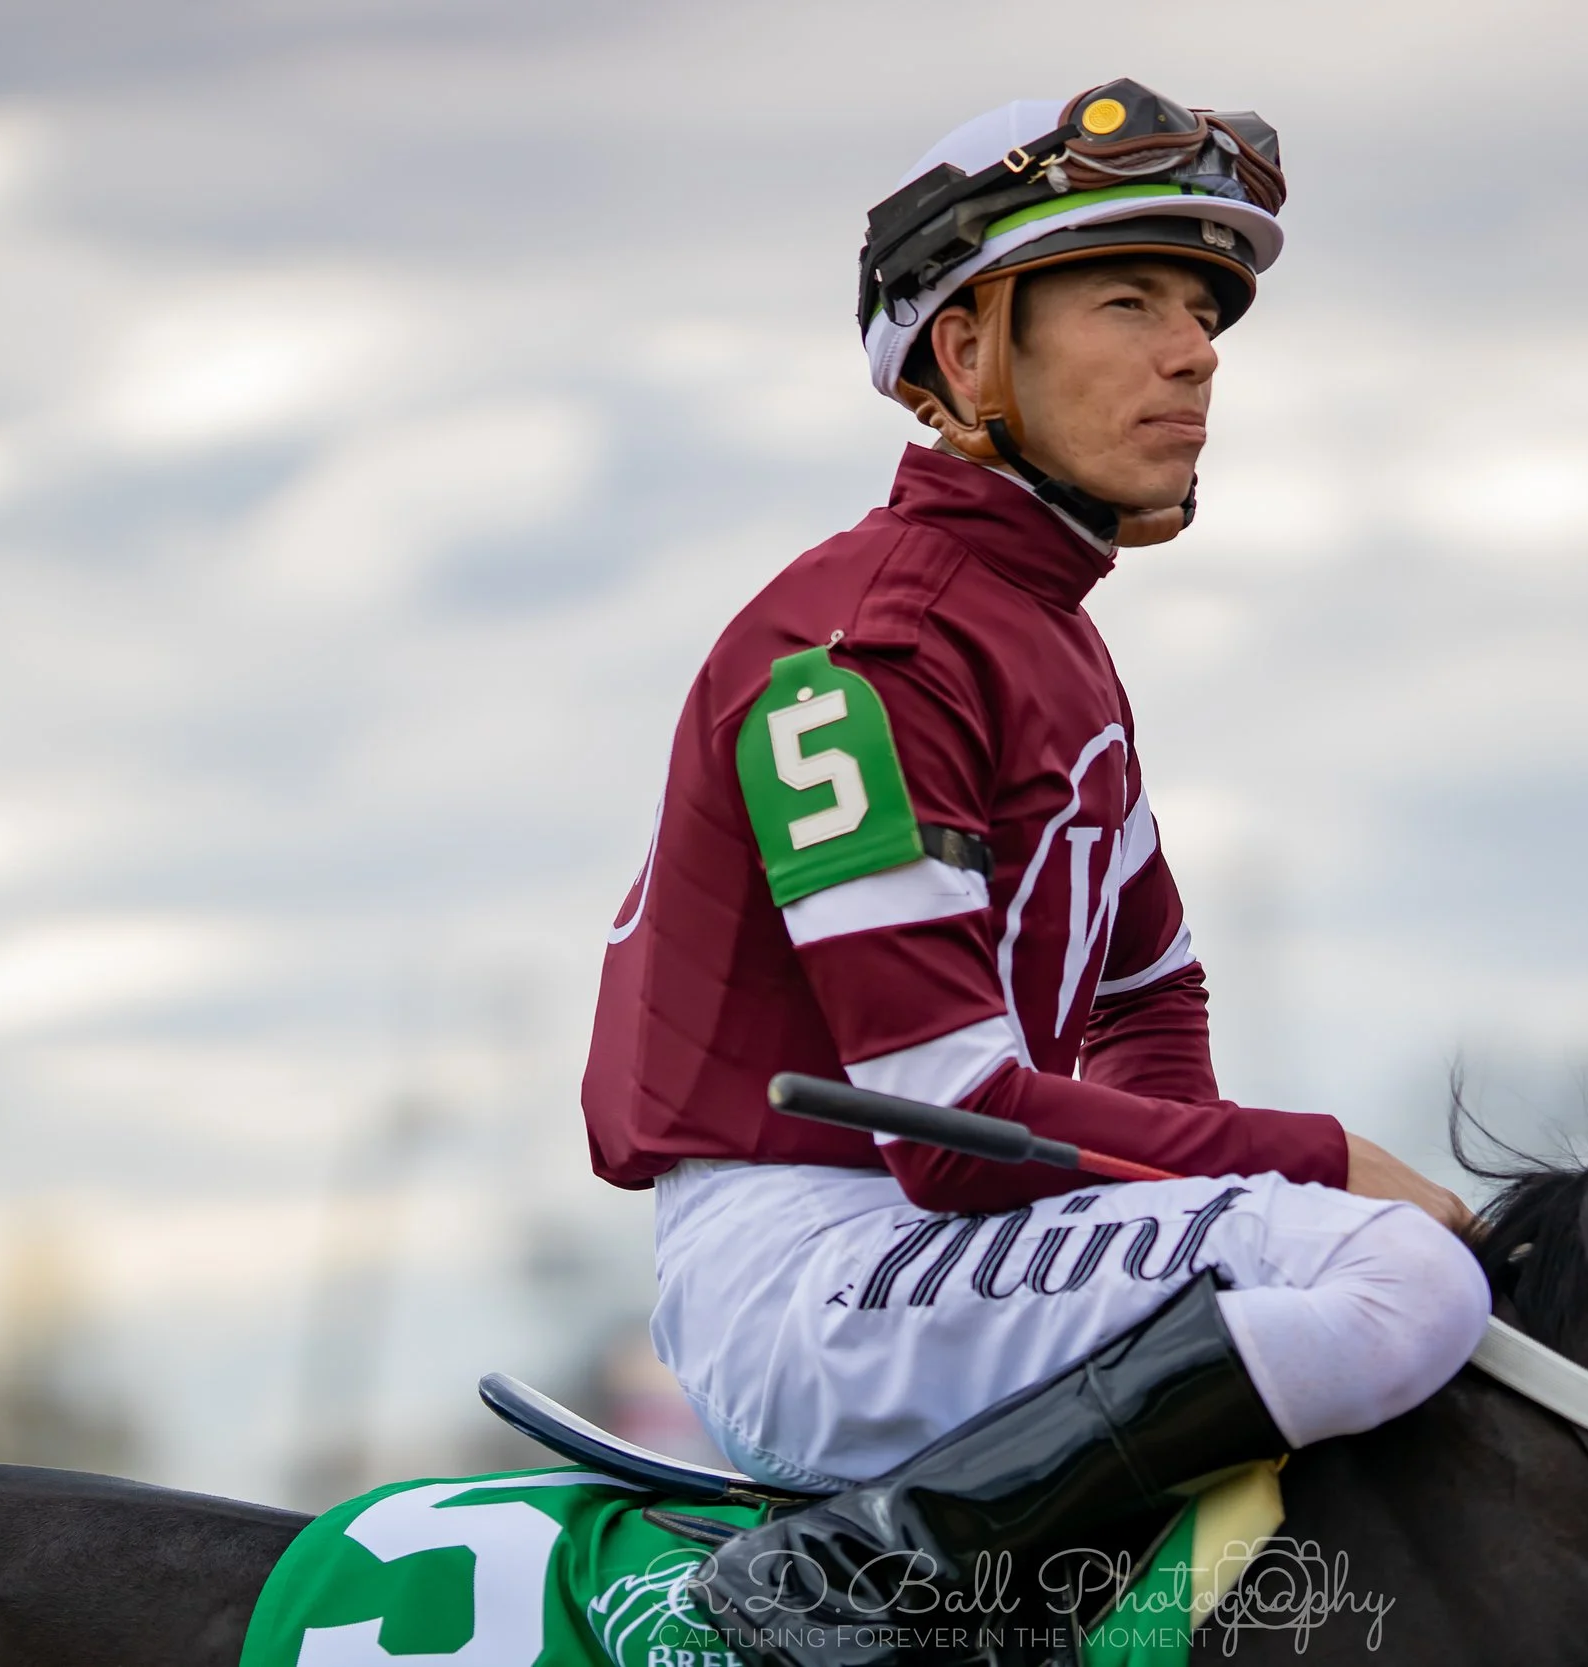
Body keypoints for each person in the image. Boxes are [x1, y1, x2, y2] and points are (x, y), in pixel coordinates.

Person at [578, 81, 1492, 1666]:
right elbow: (949, 1114)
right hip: (814, 1271)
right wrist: (1314, 1157)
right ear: (965, 349)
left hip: (929, 1246)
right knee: (1396, 1272)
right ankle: (859, 1577)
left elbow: (1155, 998)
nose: (1194, 349)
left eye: (1202, 308)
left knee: (1371, 1260)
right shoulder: (863, 647)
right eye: (1127, 299)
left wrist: (1226, 1181)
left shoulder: (1045, 636)